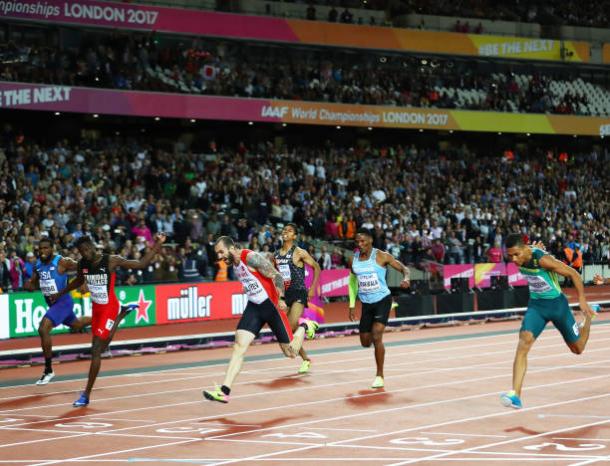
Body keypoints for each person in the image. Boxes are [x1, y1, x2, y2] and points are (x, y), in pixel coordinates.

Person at [49, 233, 166, 407]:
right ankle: (121, 315)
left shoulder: (111, 260)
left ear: (93, 247)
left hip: (109, 307)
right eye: (82, 252)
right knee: (101, 348)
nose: (85, 254)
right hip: (97, 308)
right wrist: (60, 293)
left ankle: (86, 395)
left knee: (96, 350)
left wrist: (157, 243)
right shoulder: (83, 264)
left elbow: (141, 264)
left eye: (87, 249)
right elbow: (78, 281)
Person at [203, 236, 319, 403]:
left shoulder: (249, 257)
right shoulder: (234, 263)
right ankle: (224, 391)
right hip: (255, 307)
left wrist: (281, 298)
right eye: (217, 253)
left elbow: (277, 275)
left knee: (291, 352)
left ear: (231, 248)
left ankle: (305, 326)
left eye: (221, 252)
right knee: (239, 346)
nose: (219, 257)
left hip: (272, 307)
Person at [500, 233, 596, 409]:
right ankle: (515, 395)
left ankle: (588, 319)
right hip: (537, 307)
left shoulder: (543, 260)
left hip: (558, 306)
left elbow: (573, 273)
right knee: (524, 342)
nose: (513, 260)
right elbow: (530, 251)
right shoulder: (525, 254)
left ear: (524, 249)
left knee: (578, 348)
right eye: (510, 256)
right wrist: (533, 249)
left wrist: (582, 299)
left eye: (516, 254)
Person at [23, 238, 92, 385]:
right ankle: (101, 317)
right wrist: (29, 285)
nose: (43, 251)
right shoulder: (38, 266)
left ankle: (48, 370)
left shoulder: (62, 261)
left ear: (52, 248)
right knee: (77, 324)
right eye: (40, 249)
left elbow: (84, 266)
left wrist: (84, 283)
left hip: (63, 302)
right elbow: (34, 284)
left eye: (46, 248)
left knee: (43, 328)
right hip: (53, 304)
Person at [348, 229, 410, 389]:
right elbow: (352, 283)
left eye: (362, 241)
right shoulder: (353, 260)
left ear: (370, 241)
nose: (359, 244)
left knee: (377, 336)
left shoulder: (382, 256)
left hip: (383, 299)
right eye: (357, 242)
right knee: (365, 342)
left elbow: (404, 268)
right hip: (366, 304)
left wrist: (406, 278)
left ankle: (379, 375)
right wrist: (352, 305)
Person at [274, 223, 321, 374]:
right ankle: (306, 359)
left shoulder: (299, 252)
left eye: (289, 231)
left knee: (292, 325)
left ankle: (307, 325)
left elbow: (317, 267)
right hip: (285, 295)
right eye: (284, 230)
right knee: (288, 332)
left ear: (294, 236)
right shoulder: (276, 255)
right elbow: (276, 276)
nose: (285, 232)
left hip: (299, 292)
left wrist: (313, 287)